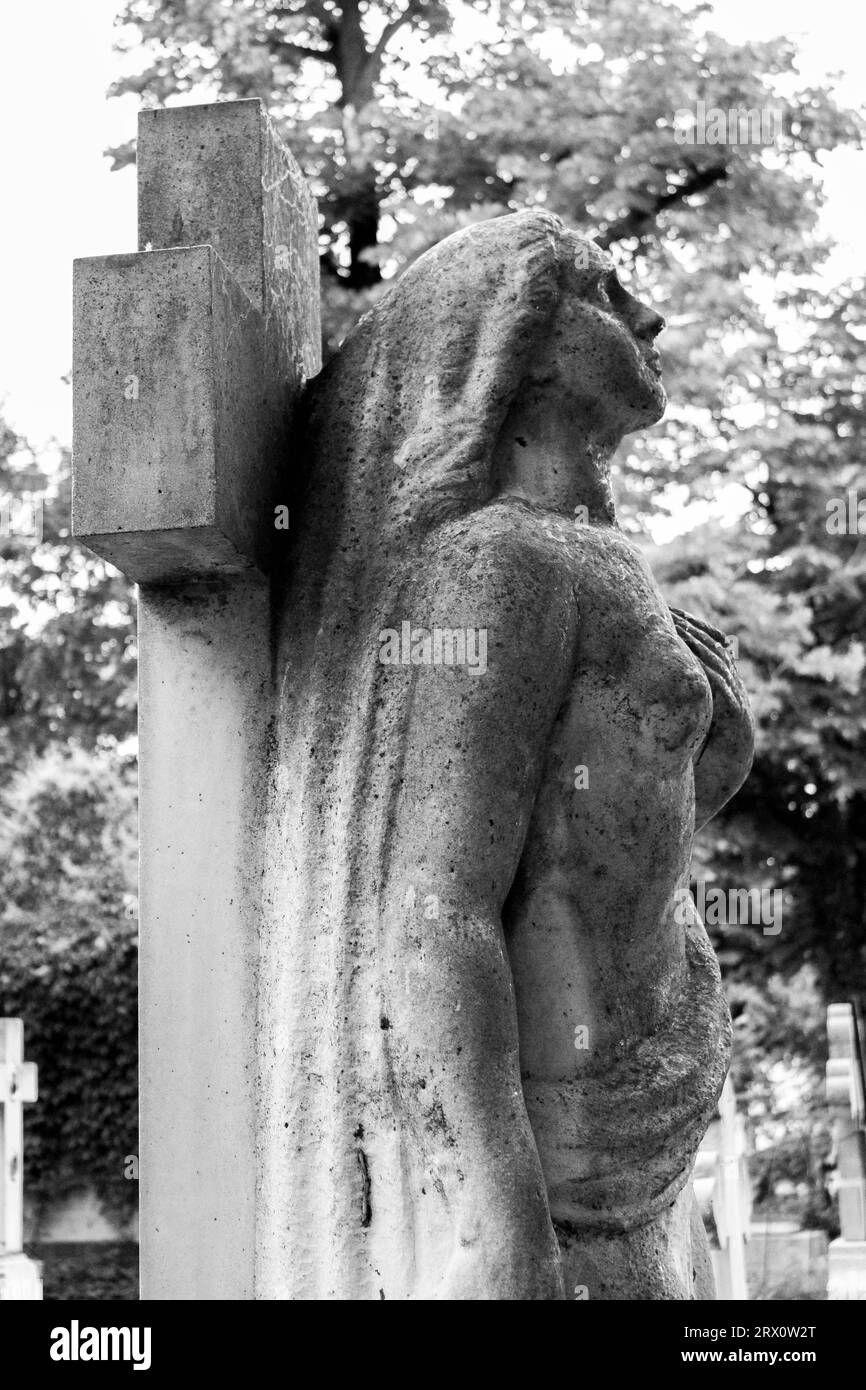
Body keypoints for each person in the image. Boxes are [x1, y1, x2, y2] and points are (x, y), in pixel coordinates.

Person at [258, 209, 754, 1300]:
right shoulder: (497, 564)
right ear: (514, 340)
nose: (650, 315)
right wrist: (497, 1217)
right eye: (606, 292)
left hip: (633, 1136)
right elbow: (436, 905)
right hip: (551, 1175)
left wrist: (715, 745)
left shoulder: (589, 561)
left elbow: (596, 843)